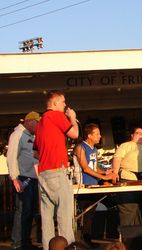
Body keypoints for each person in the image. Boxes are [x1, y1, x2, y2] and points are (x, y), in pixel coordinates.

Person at [34, 90, 79, 250]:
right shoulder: (56, 116)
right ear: (54, 103)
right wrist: (72, 118)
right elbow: (74, 134)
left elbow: (35, 151)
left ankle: (49, 248)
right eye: (63, 102)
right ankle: (68, 247)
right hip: (57, 170)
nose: (65, 105)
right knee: (64, 216)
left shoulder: (40, 123)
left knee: (46, 219)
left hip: (44, 172)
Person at [74, 123, 114, 248]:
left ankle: (88, 238)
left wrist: (105, 171)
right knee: (87, 213)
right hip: (83, 184)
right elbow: (85, 168)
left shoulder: (94, 149)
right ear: (89, 135)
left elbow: (94, 166)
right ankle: (85, 239)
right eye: (97, 134)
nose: (100, 136)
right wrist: (103, 177)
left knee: (91, 213)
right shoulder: (81, 148)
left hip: (93, 184)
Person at [7, 111, 41, 250]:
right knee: (23, 210)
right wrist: (15, 178)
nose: (39, 126)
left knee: (30, 210)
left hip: (32, 178)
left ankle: (26, 241)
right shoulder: (18, 135)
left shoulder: (32, 136)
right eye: (37, 123)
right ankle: (18, 243)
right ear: (30, 122)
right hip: (23, 178)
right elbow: (11, 156)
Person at [111, 127, 142, 225]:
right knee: (128, 208)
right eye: (138, 133)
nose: (141, 135)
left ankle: (140, 234)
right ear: (132, 135)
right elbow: (117, 158)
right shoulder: (125, 145)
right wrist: (115, 173)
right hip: (128, 178)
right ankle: (125, 234)